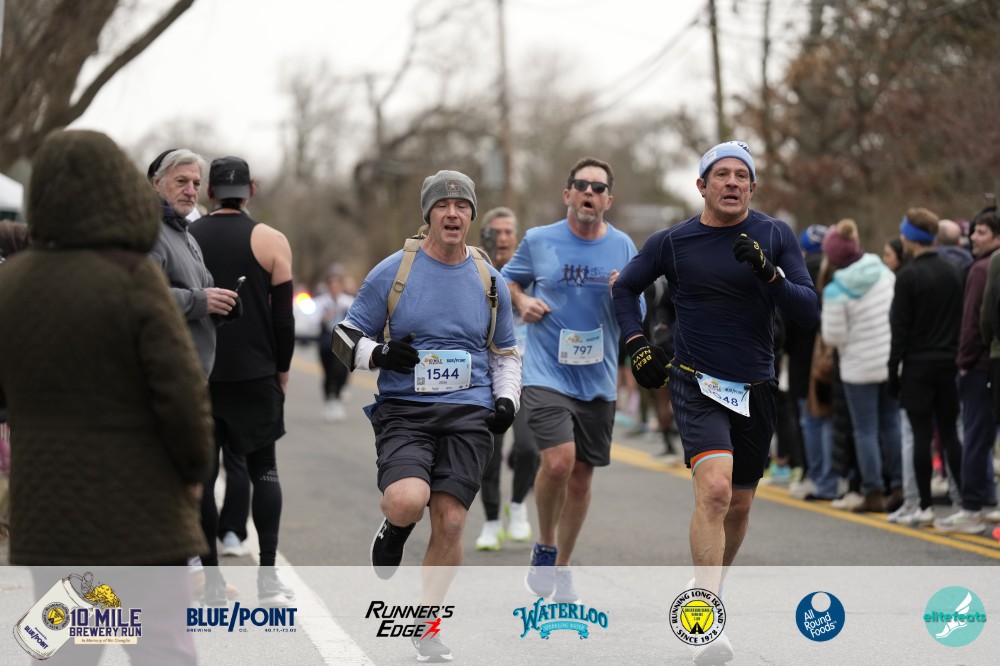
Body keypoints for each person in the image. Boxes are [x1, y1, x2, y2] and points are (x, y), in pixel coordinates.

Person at [612, 141, 819, 665]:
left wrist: (770, 274)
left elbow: (809, 311)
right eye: (721, 175)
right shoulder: (673, 242)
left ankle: (711, 586)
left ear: (753, 187)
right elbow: (624, 289)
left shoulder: (775, 235)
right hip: (696, 383)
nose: (731, 183)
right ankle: (704, 616)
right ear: (702, 186)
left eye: (741, 176)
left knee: (740, 505)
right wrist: (637, 344)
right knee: (716, 492)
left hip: (757, 387)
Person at [0, 125, 213, 592]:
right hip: (137, 507)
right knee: (152, 630)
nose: (191, 189)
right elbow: (179, 390)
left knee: (66, 628)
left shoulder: (11, 284)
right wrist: (194, 467)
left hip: (46, 510)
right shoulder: (134, 278)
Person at [333, 170, 520, 663]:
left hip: (469, 410)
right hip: (406, 411)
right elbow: (343, 338)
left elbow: (505, 353)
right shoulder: (393, 271)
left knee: (452, 523)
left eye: (462, 206)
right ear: (429, 213)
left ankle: (428, 627)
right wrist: (379, 354)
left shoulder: (489, 280)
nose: (452, 213)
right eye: (443, 205)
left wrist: (507, 401)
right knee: (406, 500)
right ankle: (395, 529)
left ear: (471, 215)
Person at [502, 157, 640, 605]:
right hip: (546, 372)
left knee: (581, 478)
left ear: (608, 200)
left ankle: (562, 566)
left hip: (597, 380)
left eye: (598, 188)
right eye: (582, 185)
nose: (589, 193)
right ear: (567, 194)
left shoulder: (623, 247)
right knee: (560, 462)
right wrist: (522, 300)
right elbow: (505, 282)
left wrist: (624, 293)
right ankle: (545, 545)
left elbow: (637, 312)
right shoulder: (539, 240)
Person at [189, 156, 296, 607]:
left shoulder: (188, 237)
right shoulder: (272, 240)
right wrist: (282, 370)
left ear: (210, 191)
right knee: (263, 469)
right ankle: (267, 578)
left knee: (203, 477)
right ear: (251, 189)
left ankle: (212, 579)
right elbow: (283, 320)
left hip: (200, 375)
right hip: (256, 373)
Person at [888, 207, 964, 526]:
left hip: (917, 365)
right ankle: (964, 502)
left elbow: (899, 331)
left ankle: (925, 506)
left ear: (911, 237)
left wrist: (892, 371)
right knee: (950, 433)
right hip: (948, 363)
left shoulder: (908, 276)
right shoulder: (953, 271)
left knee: (920, 436)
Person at [820, 219, 901, 513]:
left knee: (865, 430)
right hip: (889, 360)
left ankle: (873, 491)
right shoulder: (883, 272)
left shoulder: (835, 290)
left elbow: (833, 337)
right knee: (891, 424)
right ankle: (900, 486)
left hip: (858, 367)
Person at [474, 207, 539, 551]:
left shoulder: (531, 272)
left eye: (508, 232)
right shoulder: (475, 269)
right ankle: (490, 521)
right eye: (495, 232)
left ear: (516, 236)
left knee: (529, 446)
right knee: (490, 453)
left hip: (527, 371)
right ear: (485, 236)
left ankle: (517, 506)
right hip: (487, 373)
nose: (501, 238)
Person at [935, 206, 1000, 533]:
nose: (973, 237)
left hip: (980, 365)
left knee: (975, 436)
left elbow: (977, 320)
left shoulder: (981, 269)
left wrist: (964, 362)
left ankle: (971, 507)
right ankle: (987, 497)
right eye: (973, 231)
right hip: (989, 361)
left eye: (981, 232)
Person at [316, 264, 355, 422]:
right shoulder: (321, 302)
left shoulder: (348, 302)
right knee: (328, 373)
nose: (334, 289)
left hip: (343, 342)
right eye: (331, 286)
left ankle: (337, 400)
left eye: (337, 285)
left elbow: (356, 321)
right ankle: (328, 401)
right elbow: (311, 321)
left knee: (340, 371)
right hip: (326, 342)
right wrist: (324, 317)